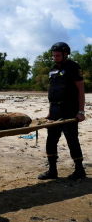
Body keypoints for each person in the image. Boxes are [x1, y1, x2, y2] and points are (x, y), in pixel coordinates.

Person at [38, 42, 86, 180]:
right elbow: (53, 91)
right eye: (53, 55)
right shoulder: (52, 69)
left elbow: (81, 90)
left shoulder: (73, 67)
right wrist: (50, 111)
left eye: (58, 55)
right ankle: (52, 170)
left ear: (65, 54)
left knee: (72, 139)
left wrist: (81, 112)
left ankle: (79, 170)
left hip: (69, 109)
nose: (55, 58)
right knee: (51, 140)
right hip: (55, 110)